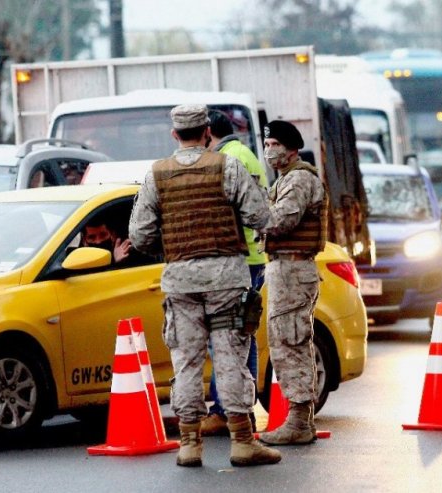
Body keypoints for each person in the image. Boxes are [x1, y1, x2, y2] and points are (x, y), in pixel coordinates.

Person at [128, 104, 280, 468]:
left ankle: (189, 444)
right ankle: (242, 441)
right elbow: (261, 216)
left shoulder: (157, 174)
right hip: (226, 278)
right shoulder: (228, 166)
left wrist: (172, 246)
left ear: (174, 134)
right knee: (230, 359)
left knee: (186, 362)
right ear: (207, 132)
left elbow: (139, 234)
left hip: (180, 282)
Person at [257, 120, 328, 446]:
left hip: (293, 270)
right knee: (288, 341)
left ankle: (299, 421)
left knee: (290, 342)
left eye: (275, 145)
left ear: (292, 149)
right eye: (267, 144)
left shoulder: (299, 179)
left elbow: (280, 220)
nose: (269, 150)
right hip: (287, 270)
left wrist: (252, 210)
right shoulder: (286, 178)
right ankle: (300, 420)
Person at [199, 110, 269, 436]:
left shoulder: (227, 159)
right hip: (252, 256)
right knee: (243, 336)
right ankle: (240, 409)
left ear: (209, 134)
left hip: (236, 258)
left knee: (227, 337)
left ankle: (226, 410)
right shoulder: (244, 154)